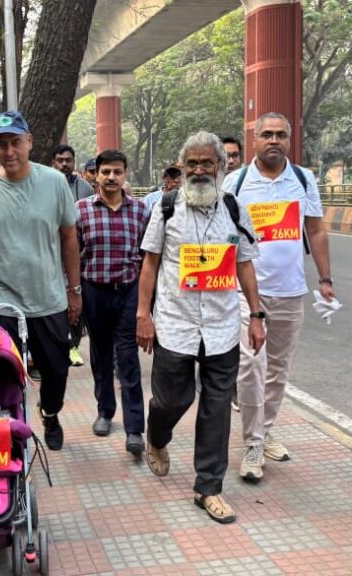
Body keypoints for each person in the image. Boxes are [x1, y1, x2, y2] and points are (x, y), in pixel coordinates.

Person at [137, 131, 265, 524]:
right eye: (191, 163)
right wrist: (144, 314)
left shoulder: (233, 207)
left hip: (223, 324)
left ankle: (208, 487)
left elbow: (244, 263)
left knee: (216, 406)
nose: (197, 170)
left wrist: (256, 316)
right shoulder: (167, 208)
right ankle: (156, 437)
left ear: (221, 167)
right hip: (176, 323)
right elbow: (151, 263)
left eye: (206, 163)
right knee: (172, 399)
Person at [0, 110, 81, 451]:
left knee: (56, 372)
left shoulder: (54, 182)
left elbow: (70, 237)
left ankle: (50, 413)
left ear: (29, 143)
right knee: (2, 374)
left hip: (48, 299)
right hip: (0, 302)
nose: (9, 151)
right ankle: (10, 430)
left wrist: (74, 289)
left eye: (15, 143)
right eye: (1, 144)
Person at [223, 112, 335, 483]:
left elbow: (315, 231)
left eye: (280, 135)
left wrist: (325, 278)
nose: (274, 140)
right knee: (251, 366)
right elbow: (224, 236)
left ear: (289, 140)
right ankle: (253, 443)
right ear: (254, 140)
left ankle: (265, 428)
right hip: (246, 292)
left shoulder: (303, 180)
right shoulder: (235, 182)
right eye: (266, 134)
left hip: (290, 291)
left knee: (278, 370)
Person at [76, 149, 149, 455]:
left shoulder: (141, 211)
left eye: (117, 172)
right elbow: (74, 256)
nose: (110, 177)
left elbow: (148, 257)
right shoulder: (81, 210)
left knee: (128, 357)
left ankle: (134, 428)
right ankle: (105, 411)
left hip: (128, 290)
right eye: (105, 171)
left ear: (125, 174)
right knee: (101, 355)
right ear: (95, 174)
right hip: (94, 290)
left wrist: (146, 303)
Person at [51, 144, 92, 367]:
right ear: (53, 162)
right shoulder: (44, 187)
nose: (64, 164)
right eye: (60, 160)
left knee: (76, 302)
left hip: (78, 256)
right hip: (50, 256)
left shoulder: (85, 188)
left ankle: (74, 346)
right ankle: (57, 346)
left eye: (68, 160)